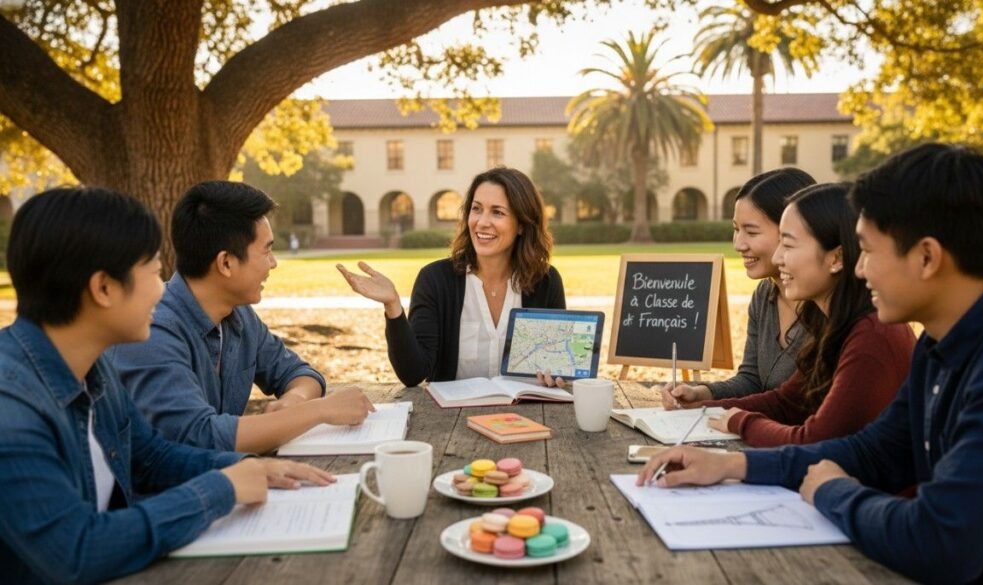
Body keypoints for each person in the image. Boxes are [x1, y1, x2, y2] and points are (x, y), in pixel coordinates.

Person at [638, 143, 983, 583]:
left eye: (869, 251)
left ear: (927, 257)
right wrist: (732, 466)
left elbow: (941, 540)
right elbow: (872, 451)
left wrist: (833, 492)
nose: (861, 271)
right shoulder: (940, 343)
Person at [0, 187, 335, 584]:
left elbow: (151, 457)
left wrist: (247, 467)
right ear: (104, 288)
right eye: (154, 272)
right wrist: (218, 489)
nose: (163, 291)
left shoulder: (94, 367)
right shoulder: (12, 410)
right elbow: (76, 552)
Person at [110, 181, 373, 453]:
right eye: (267, 251)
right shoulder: (152, 331)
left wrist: (295, 399)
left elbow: (299, 372)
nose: (274, 263)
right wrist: (317, 411)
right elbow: (199, 436)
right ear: (226, 263)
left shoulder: (238, 315)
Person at [664, 183, 916, 447]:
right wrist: (701, 406)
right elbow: (787, 403)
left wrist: (740, 422)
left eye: (788, 245)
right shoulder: (829, 322)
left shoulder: (870, 337)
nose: (778, 257)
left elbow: (816, 441)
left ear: (836, 258)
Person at [338, 167, 566, 387]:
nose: (482, 222)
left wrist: (556, 375)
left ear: (522, 226)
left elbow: (558, 366)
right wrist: (393, 305)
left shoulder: (545, 281)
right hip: (452, 420)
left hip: (527, 417)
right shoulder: (435, 280)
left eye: (497, 212)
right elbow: (413, 374)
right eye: (476, 209)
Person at [662, 168, 815, 408]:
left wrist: (723, 413)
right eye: (736, 229)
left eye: (751, 232)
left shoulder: (829, 307)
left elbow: (799, 407)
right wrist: (702, 393)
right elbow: (752, 380)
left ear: (792, 231)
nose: (738, 244)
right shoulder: (765, 295)